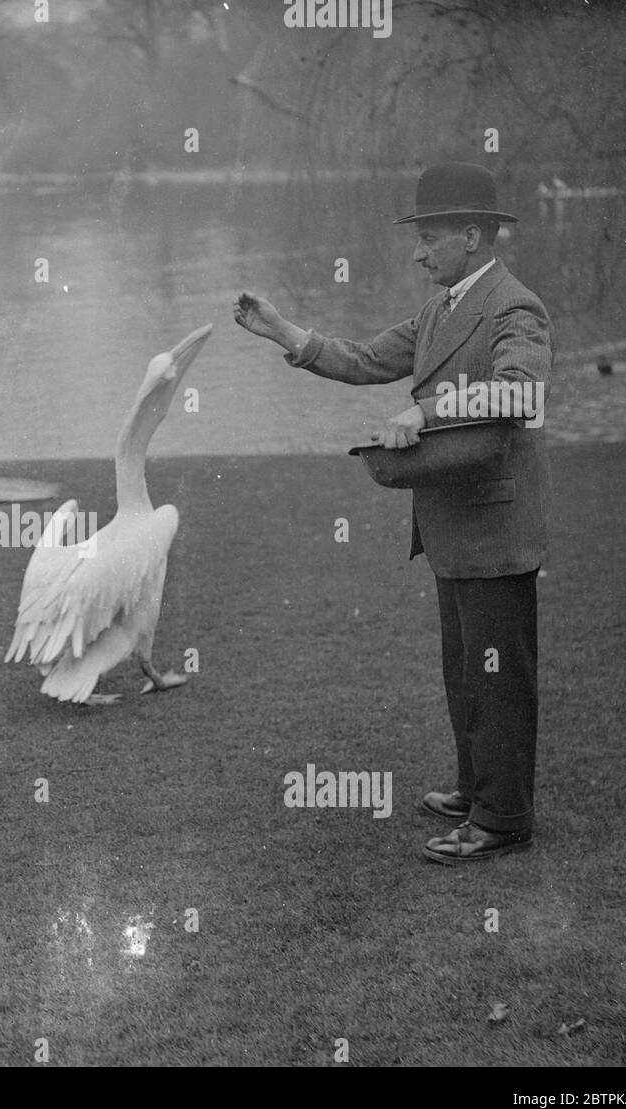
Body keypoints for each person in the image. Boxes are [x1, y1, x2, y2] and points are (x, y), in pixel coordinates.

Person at [234, 161, 552, 864]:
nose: (416, 252)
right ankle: (476, 789)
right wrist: (284, 331)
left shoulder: (514, 307)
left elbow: (518, 393)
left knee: (497, 677)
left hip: (496, 528)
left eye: (429, 237)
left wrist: (424, 408)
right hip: (453, 527)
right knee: (465, 669)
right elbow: (361, 359)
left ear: (471, 236)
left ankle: (503, 820)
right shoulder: (438, 310)